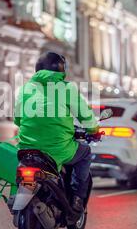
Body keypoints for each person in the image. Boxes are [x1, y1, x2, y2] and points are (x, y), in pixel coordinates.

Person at [14, 52, 99, 213]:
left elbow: (17, 120)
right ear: (61, 70)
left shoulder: (25, 89)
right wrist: (93, 130)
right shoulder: (66, 88)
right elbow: (85, 116)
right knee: (85, 153)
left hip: (27, 149)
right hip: (57, 149)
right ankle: (77, 198)